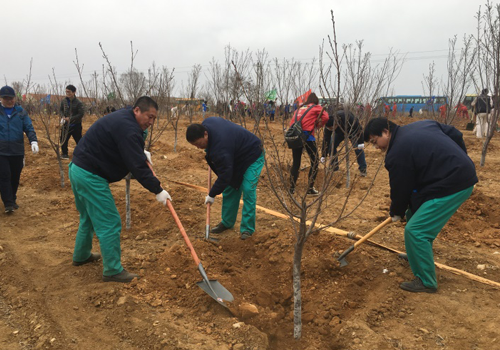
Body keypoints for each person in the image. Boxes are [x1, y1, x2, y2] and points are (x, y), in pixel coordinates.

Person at [364, 117, 478, 293]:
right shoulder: (424, 124)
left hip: (454, 184)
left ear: (386, 132)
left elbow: (401, 188)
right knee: (413, 214)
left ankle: (426, 281)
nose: (376, 146)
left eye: (374, 141)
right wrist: (462, 159)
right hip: (450, 176)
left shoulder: (397, 153)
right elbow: (455, 133)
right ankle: (416, 255)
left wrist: (396, 212)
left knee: (416, 231)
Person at [68, 96, 171, 283]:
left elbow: (132, 146)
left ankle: (81, 255)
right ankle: (113, 270)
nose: (151, 122)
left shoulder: (125, 118)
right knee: (110, 222)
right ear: (137, 110)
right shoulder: (128, 129)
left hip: (78, 169)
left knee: (89, 217)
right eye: (149, 116)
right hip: (90, 176)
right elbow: (137, 167)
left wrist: (140, 150)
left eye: (154, 118)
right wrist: (158, 190)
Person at [186, 117, 264, 240]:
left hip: (252, 154)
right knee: (230, 188)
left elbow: (225, 176)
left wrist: (212, 194)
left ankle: (247, 229)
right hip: (235, 155)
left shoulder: (221, 147)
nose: (198, 148)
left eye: (199, 144)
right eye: (195, 145)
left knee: (248, 189)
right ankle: (227, 222)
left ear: (205, 134)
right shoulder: (207, 123)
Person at [0, 86, 39, 214]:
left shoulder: (21, 112)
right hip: (2, 150)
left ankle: (12, 198)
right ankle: (8, 203)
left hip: (17, 150)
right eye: (6, 98)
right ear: (1, 99)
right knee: (4, 175)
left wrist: (33, 140)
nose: (9, 101)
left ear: (14, 98)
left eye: (11, 98)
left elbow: (28, 126)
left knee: (15, 177)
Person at [288, 93, 329, 195]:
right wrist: (319, 125)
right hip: (307, 136)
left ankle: (291, 188)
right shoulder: (316, 107)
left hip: (295, 136)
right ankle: (310, 188)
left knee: (296, 162)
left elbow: (292, 123)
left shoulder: (300, 108)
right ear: (315, 101)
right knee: (315, 161)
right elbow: (326, 117)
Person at [322, 105, 367, 177]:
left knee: (358, 149)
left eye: (332, 128)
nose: (331, 130)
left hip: (352, 131)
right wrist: (323, 155)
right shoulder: (328, 124)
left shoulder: (348, 117)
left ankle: (363, 169)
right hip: (339, 133)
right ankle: (334, 167)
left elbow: (359, 128)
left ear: (336, 124)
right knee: (331, 146)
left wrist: (361, 142)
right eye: (330, 129)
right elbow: (326, 140)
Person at [59, 85, 85, 160]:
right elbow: (61, 110)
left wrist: (70, 119)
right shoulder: (64, 101)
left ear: (74, 92)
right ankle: (64, 154)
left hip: (76, 125)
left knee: (79, 140)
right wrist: (63, 116)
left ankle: (82, 154)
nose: (67, 93)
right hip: (65, 125)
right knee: (63, 139)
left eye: (69, 92)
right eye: (66, 92)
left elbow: (80, 114)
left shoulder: (78, 103)